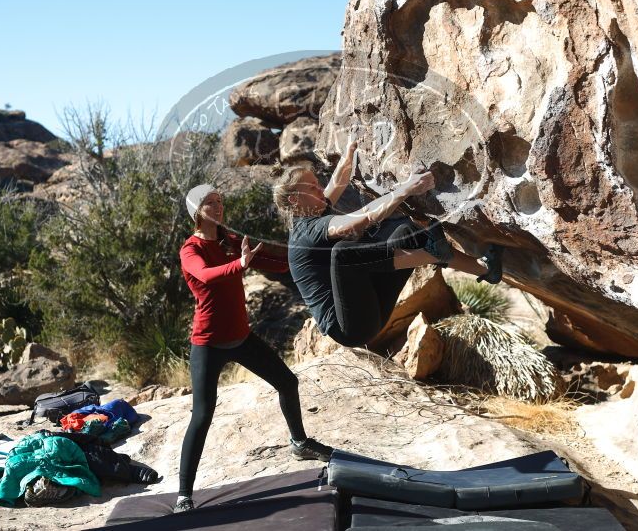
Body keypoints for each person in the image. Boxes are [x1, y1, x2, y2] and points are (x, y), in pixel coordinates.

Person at [175, 184, 333, 513]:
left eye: (220, 201)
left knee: (288, 382)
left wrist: (298, 256)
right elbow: (206, 274)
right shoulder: (190, 250)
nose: (218, 207)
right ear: (196, 212)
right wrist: (241, 265)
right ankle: (183, 495)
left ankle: (299, 443)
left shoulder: (229, 241)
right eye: (210, 203)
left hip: (242, 338)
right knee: (202, 415)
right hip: (208, 344)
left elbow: (268, 260)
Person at [273, 139, 503, 348]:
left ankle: (485, 269)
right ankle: (434, 254)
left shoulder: (313, 209)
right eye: (312, 187)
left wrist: (350, 148)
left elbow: (338, 182)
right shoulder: (307, 230)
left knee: (406, 231)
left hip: (372, 304)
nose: (320, 189)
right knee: (343, 254)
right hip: (350, 328)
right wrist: (406, 189)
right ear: (295, 199)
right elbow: (360, 219)